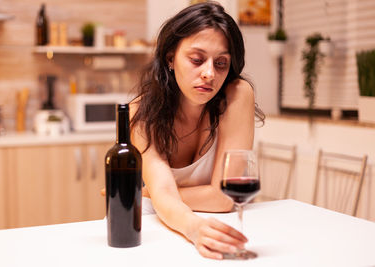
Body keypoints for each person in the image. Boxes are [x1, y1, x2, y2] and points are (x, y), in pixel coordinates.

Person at [107, 1, 265, 260]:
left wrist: (150, 194)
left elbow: (224, 198)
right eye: (197, 59)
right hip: (159, 226)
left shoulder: (237, 95)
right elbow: (165, 195)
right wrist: (192, 225)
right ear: (171, 57)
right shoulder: (141, 112)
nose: (209, 74)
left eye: (221, 63)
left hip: (212, 222)